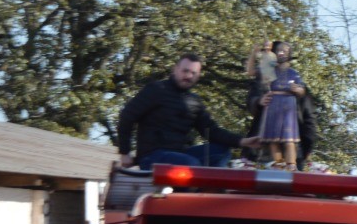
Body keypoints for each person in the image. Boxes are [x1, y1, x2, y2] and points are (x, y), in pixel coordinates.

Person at [116, 54, 261, 169]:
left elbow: (212, 131)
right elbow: (127, 116)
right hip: (152, 156)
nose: (189, 76)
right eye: (185, 71)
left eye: (193, 73)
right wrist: (125, 152)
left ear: (198, 76)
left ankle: (209, 190)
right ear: (175, 69)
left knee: (222, 152)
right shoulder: (156, 90)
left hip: (180, 154)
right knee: (190, 165)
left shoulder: (194, 102)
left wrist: (243, 141)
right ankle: (194, 198)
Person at [253, 41, 306, 169]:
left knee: (289, 139)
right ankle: (279, 163)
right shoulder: (270, 71)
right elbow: (255, 73)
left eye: (284, 51)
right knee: (273, 138)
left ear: (289, 54)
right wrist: (255, 53)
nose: (281, 53)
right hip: (273, 104)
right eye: (278, 51)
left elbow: (302, 90)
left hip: (288, 105)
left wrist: (297, 89)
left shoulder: (294, 73)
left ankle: (291, 165)